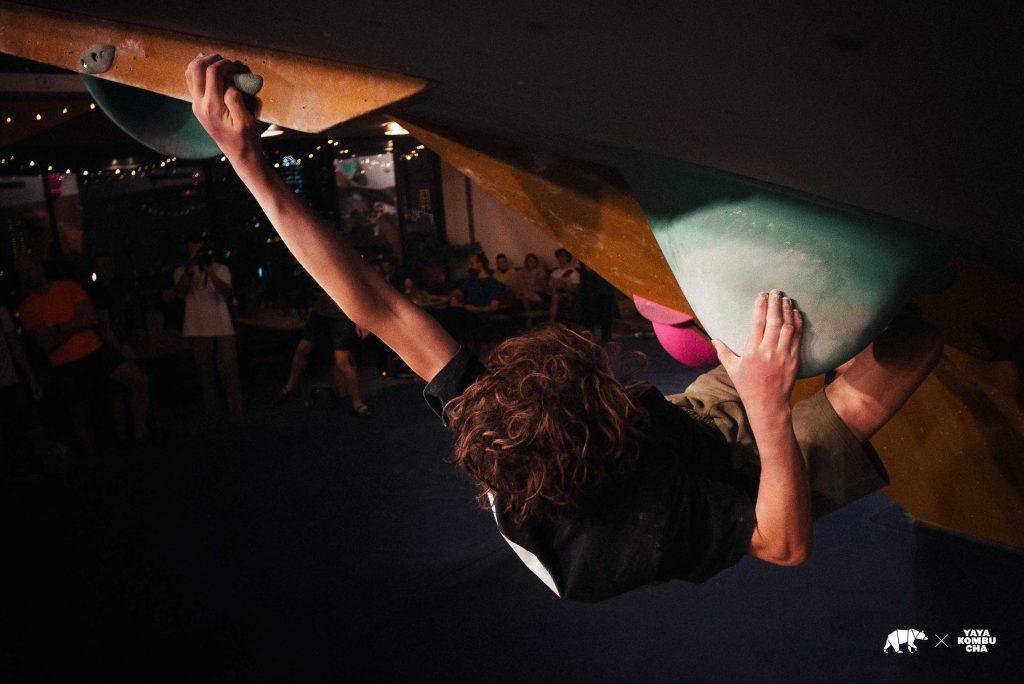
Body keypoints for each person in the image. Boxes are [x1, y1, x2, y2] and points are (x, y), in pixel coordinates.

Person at [188, 56, 943, 601]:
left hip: (674, 437)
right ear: (608, 438)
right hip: (735, 486)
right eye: (611, 394)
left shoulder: (495, 416)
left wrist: (247, 161)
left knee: (775, 340)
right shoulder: (626, 538)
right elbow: (782, 545)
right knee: (910, 348)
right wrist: (769, 407)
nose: (621, 385)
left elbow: (375, 308)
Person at [15, 255, 149, 456]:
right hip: (65, 363)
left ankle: (139, 433)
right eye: (22, 272)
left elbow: (89, 319)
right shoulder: (28, 307)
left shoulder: (69, 287)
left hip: (94, 350)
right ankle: (93, 457)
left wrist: (58, 328)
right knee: (81, 414)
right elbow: (47, 344)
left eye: (30, 269)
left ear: (39, 267)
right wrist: (75, 324)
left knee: (138, 380)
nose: (28, 274)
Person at [173, 234, 244, 425]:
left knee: (230, 375)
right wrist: (190, 271)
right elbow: (180, 293)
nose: (199, 254)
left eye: (201, 250)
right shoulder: (181, 271)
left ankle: (237, 417)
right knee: (206, 378)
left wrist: (210, 272)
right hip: (197, 331)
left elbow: (228, 293)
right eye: (195, 250)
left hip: (223, 330)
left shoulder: (221, 269)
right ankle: (213, 418)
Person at [281, 285, 372, 416]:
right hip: (321, 311)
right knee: (302, 349)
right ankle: (289, 387)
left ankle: (357, 402)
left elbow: (360, 288)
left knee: (341, 361)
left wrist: (360, 319)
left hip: (342, 315)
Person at [90, 254, 151, 443]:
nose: (106, 268)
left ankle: (128, 435)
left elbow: (130, 313)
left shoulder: (118, 288)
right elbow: (104, 327)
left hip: (118, 343)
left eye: (108, 264)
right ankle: (137, 430)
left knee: (120, 390)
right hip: (108, 348)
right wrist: (121, 349)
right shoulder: (97, 292)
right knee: (136, 383)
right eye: (102, 265)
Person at [451, 252, 504, 317]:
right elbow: (458, 291)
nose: (470, 266)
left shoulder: (493, 283)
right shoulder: (471, 280)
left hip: (479, 317)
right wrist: (454, 297)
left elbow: (493, 307)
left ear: (480, 264)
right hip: (465, 313)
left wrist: (475, 309)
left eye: (472, 264)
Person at [578, 261, 619, 342]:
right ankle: (591, 339)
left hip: (604, 288)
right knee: (590, 316)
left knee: (606, 315)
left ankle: (605, 339)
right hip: (592, 289)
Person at [548, 247, 580, 322]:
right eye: (559, 256)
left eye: (562, 256)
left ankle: (551, 322)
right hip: (552, 291)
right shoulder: (554, 272)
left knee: (556, 296)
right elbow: (549, 285)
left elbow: (575, 289)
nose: (560, 258)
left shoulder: (573, 272)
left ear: (568, 258)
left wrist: (565, 285)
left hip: (565, 294)